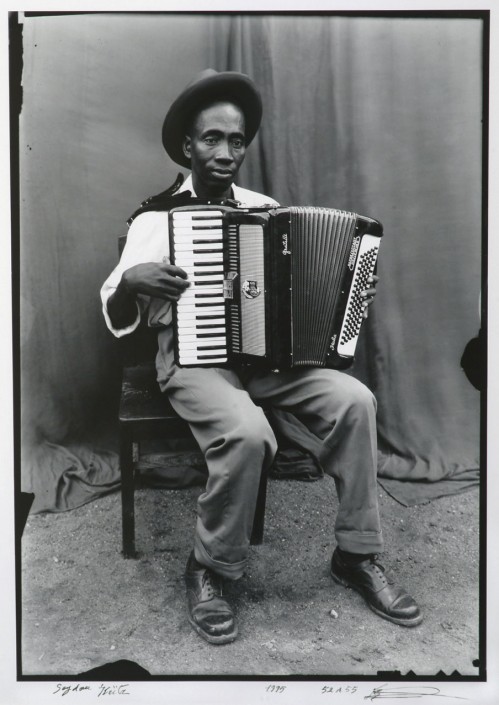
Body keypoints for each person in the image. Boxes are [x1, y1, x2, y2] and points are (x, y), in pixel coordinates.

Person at [101, 69, 422, 645]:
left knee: (356, 401)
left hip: (269, 364)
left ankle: (356, 554)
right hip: (194, 362)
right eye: (212, 139)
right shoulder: (156, 219)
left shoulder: (264, 209)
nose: (226, 152)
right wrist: (131, 281)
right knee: (249, 433)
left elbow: (297, 289)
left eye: (236, 140)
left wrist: (350, 291)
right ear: (188, 147)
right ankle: (210, 568)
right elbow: (114, 308)